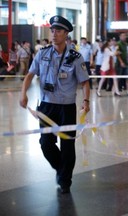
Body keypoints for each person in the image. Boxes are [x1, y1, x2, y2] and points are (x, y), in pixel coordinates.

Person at [19, 15, 90, 194]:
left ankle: (65, 180)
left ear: (66, 34)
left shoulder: (75, 57)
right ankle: (61, 169)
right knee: (45, 143)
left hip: (66, 108)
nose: (54, 33)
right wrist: (23, 94)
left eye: (58, 30)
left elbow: (85, 82)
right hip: (46, 106)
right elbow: (29, 75)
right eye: (52, 30)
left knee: (67, 145)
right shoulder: (43, 53)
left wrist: (86, 101)